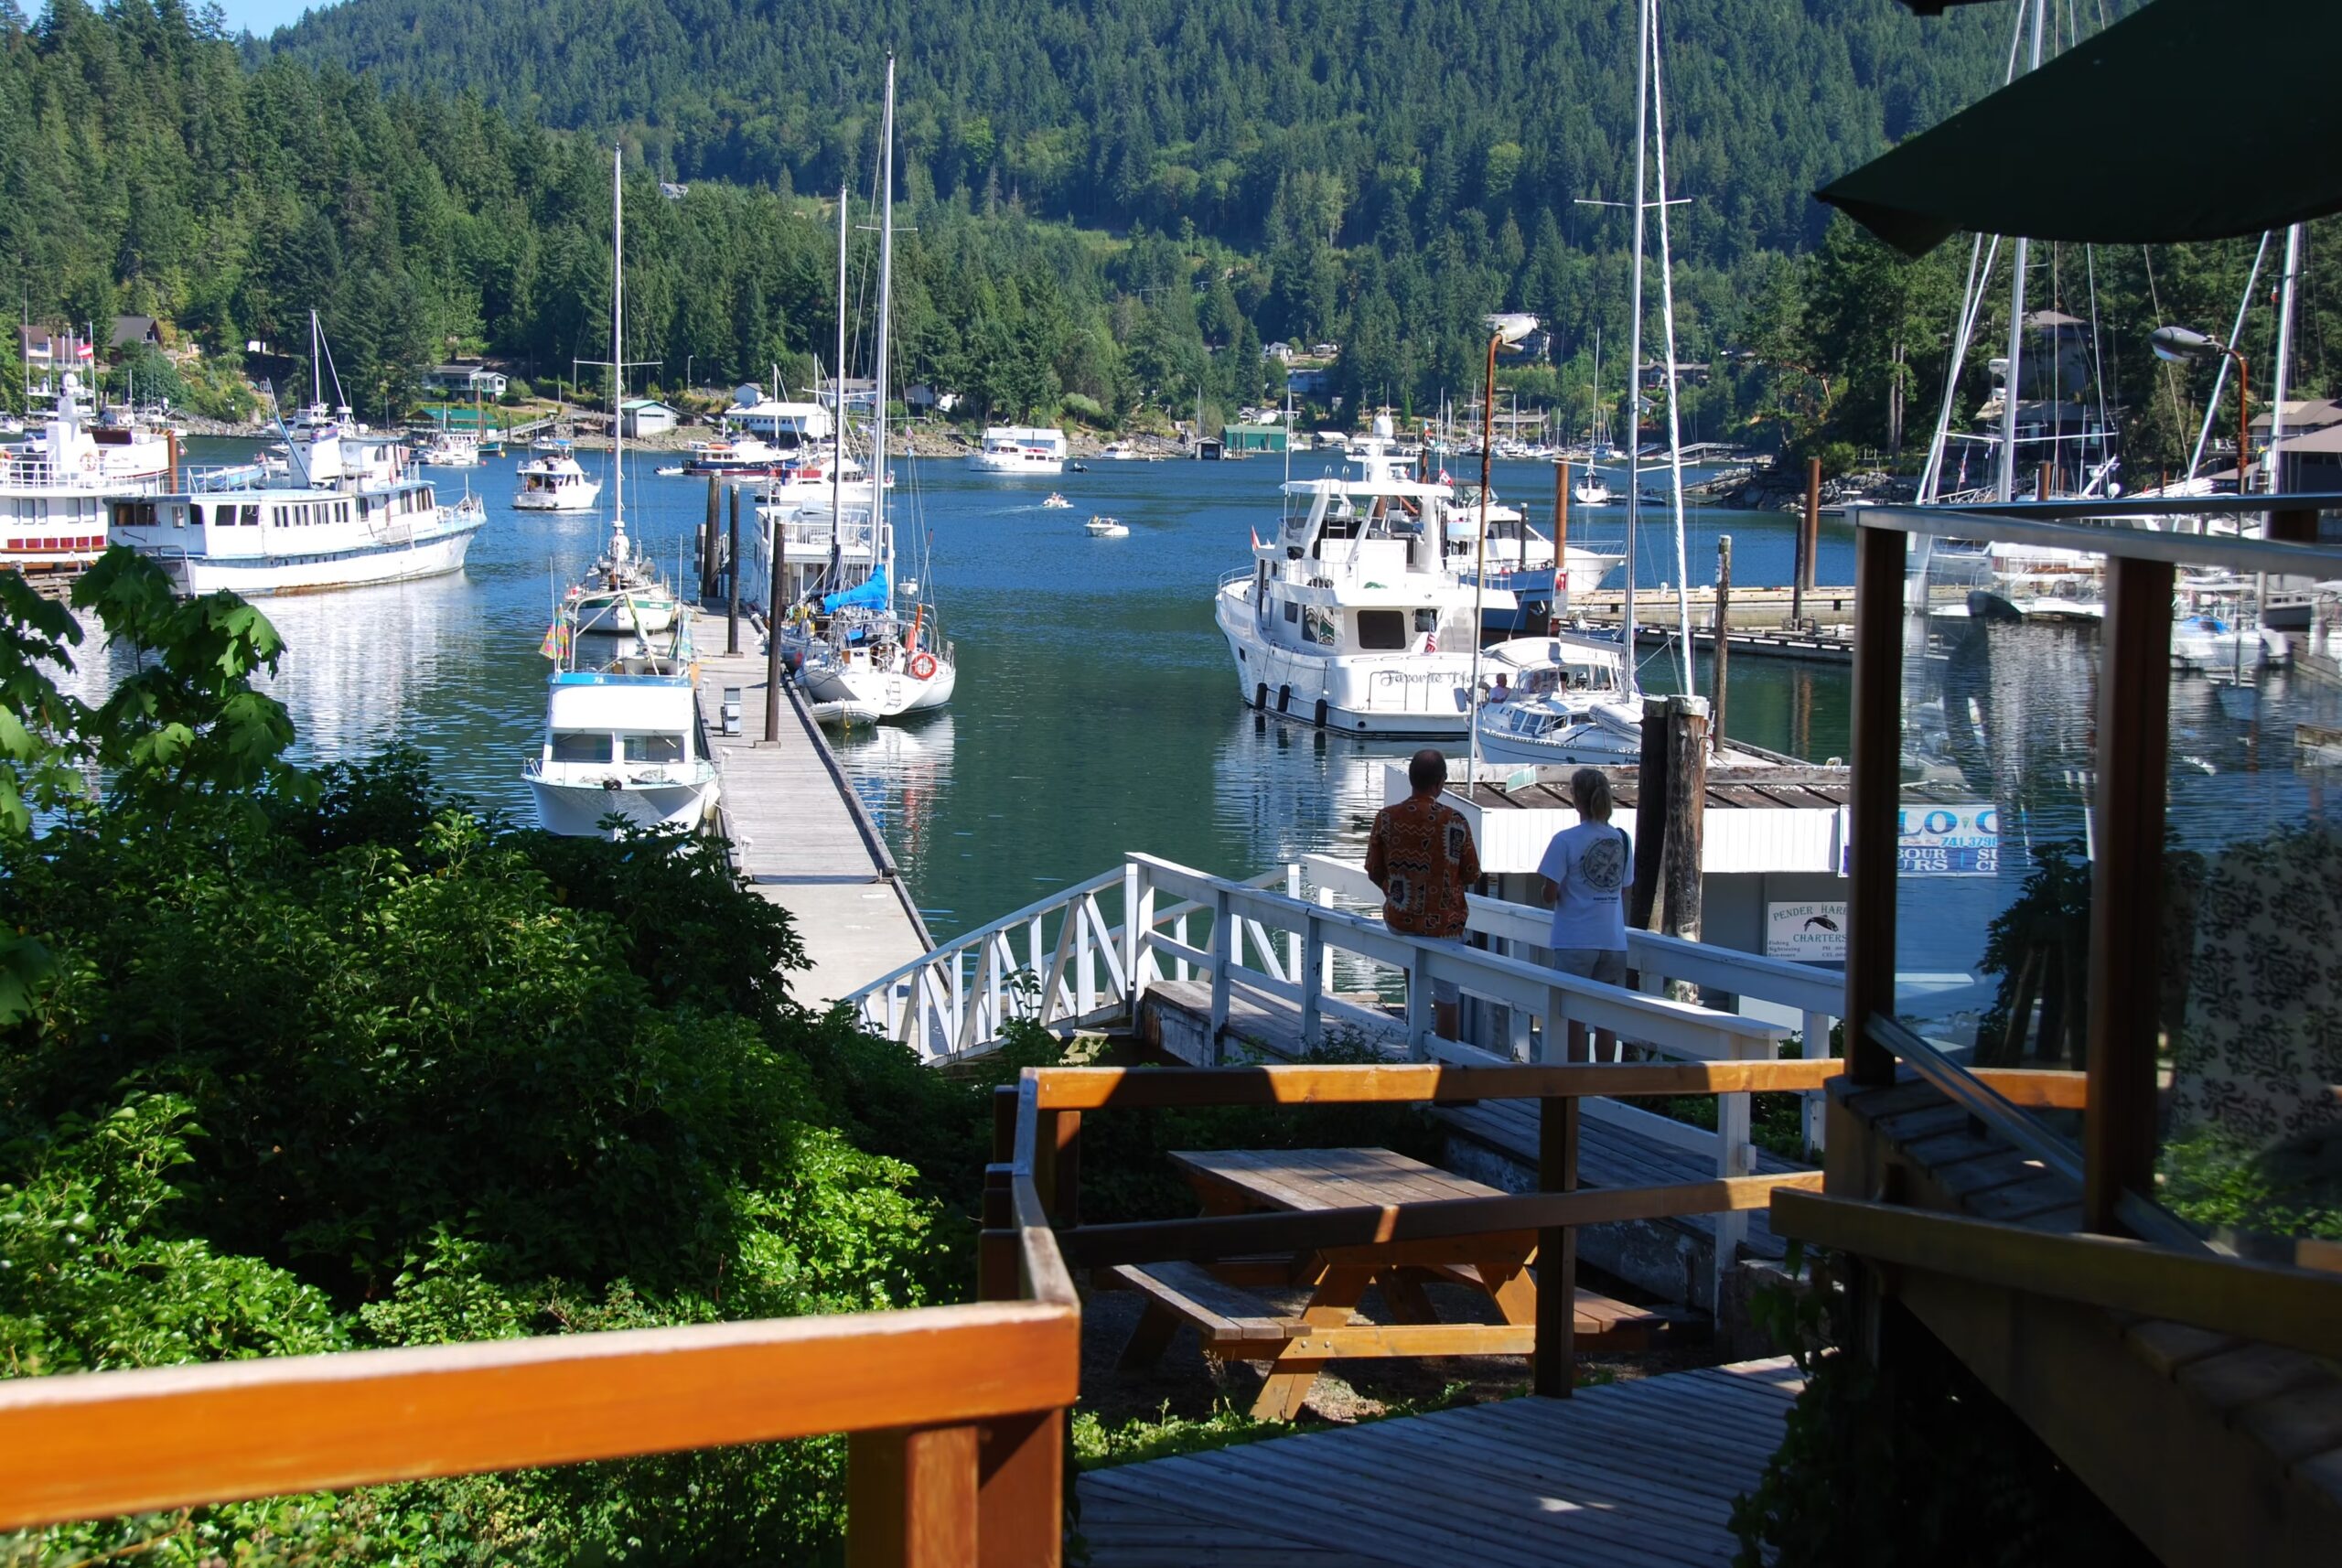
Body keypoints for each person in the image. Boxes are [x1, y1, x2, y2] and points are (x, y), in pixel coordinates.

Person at [1365, 748, 1482, 1041]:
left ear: (1410, 778)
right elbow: (1471, 873)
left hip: (1401, 920)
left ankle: (1415, 1044)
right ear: (1441, 782)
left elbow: (1374, 870)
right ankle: (1445, 1062)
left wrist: (1397, 893)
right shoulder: (1455, 821)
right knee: (1447, 998)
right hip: (1445, 925)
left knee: (1415, 981)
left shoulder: (1386, 818)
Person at [1538, 768, 1635, 1061]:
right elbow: (1624, 888)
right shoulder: (1622, 839)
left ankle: (1576, 1082)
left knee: (1574, 1020)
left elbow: (1549, 894)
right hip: (1613, 941)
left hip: (1575, 940)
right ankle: (1603, 1082)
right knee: (1606, 1020)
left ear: (1576, 799)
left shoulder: (1565, 840)